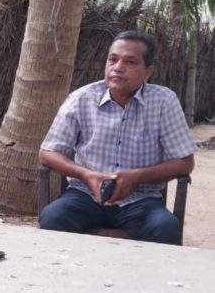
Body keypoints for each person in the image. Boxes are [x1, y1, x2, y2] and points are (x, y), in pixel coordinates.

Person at [39, 30, 196, 245]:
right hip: (85, 195)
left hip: (142, 200)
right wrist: (86, 174)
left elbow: (185, 162)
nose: (118, 67)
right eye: (113, 59)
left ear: (148, 72)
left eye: (130, 62)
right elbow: (48, 153)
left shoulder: (163, 102)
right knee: (53, 218)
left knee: (166, 228)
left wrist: (137, 177)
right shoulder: (82, 98)